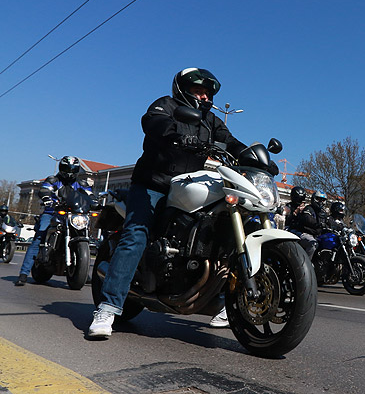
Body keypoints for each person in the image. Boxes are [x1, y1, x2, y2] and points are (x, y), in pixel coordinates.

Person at [87, 67, 248, 339]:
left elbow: (230, 142)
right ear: (183, 90)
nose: (205, 96)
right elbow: (154, 123)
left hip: (187, 184)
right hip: (153, 183)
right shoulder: (166, 105)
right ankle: (108, 307)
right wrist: (175, 134)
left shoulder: (211, 121)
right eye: (199, 90)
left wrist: (251, 156)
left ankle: (222, 301)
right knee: (136, 234)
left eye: (208, 92)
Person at [16, 156, 90, 286]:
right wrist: (47, 198)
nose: (70, 172)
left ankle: (82, 271)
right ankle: (24, 273)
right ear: (61, 168)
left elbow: (89, 195)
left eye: (73, 169)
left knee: (82, 233)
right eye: (67, 168)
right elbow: (45, 189)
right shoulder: (53, 180)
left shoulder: (81, 183)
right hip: (52, 213)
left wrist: (96, 202)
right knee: (40, 236)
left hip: (73, 214)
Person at [286, 186, 318, 258]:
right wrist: (295, 213)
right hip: (291, 230)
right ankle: (306, 265)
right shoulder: (288, 206)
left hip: (303, 231)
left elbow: (309, 220)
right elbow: (287, 220)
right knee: (312, 243)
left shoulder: (306, 208)